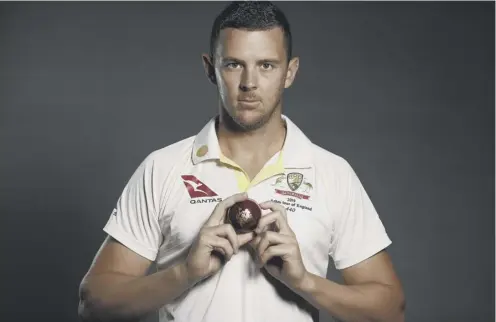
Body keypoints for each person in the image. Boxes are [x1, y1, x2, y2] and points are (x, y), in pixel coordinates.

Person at [78, 2, 405, 322]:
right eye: (234, 64)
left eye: (266, 65)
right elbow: (94, 303)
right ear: (210, 69)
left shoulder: (332, 174)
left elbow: (390, 311)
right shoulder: (162, 168)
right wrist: (186, 273)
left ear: (289, 72)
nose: (249, 82)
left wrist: (304, 281)